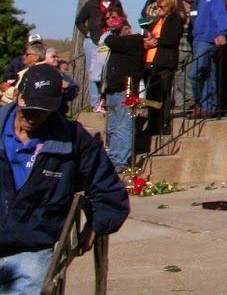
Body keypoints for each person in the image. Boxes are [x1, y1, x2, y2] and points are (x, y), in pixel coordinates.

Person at [0, 65, 130, 291]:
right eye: (29, 109)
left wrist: (97, 224)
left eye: (43, 111)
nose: (34, 117)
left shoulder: (71, 139)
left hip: (31, 244)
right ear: (18, 96)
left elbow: (107, 186)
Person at [101, 22, 146, 171]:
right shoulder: (119, 47)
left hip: (125, 89)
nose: (116, 34)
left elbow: (108, 40)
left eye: (118, 30)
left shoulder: (133, 41)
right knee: (113, 127)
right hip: (113, 90)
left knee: (123, 127)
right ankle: (114, 158)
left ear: (127, 29)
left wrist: (112, 29)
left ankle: (122, 160)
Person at [189, 0, 227, 117]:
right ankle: (207, 106)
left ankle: (201, 103)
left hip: (207, 40)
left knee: (194, 74)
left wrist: (221, 33)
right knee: (207, 74)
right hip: (199, 38)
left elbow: (220, 14)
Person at [144, 0, 185, 136]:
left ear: (169, 7)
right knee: (151, 95)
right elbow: (146, 29)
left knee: (164, 94)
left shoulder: (176, 20)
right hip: (150, 61)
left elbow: (171, 39)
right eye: (158, 6)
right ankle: (152, 123)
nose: (159, 9)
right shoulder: (157, 20)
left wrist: (155, 41)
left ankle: (164, 123)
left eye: (162, 6)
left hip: (165, 61)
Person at [73, 0, 116, 110]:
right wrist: (87, 33)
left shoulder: (116, 3)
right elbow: (79, 21)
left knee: (107, 71)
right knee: (94, 73)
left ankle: (107, 100)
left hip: (109, 41)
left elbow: (121, 18)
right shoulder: (91, 5)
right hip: (93, 42)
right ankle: (95, 103)